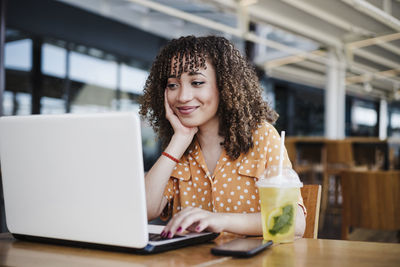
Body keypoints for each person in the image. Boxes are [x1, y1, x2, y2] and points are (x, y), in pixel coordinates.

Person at [139, 35, 306, 239]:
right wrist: (179, 141)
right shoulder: (180, 148)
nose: (182, 96)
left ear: (225, 85)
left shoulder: (262, 136)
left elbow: (293, 223)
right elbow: (143, 211)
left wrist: (220, 220)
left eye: (197, 82)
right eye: (173, 85)